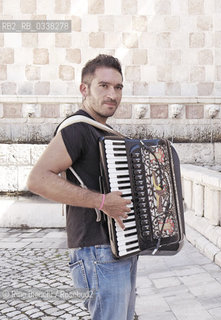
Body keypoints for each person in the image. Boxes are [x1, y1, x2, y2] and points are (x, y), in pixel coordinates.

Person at [27, 54, 137, 320]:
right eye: (104, 86)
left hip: (118, 248)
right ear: (84, 89)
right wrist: (101, 202)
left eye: (118, 87)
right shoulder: (77, 129)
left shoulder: (103, 131)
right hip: (96, 251)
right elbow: (37, 179)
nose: (113, 94)